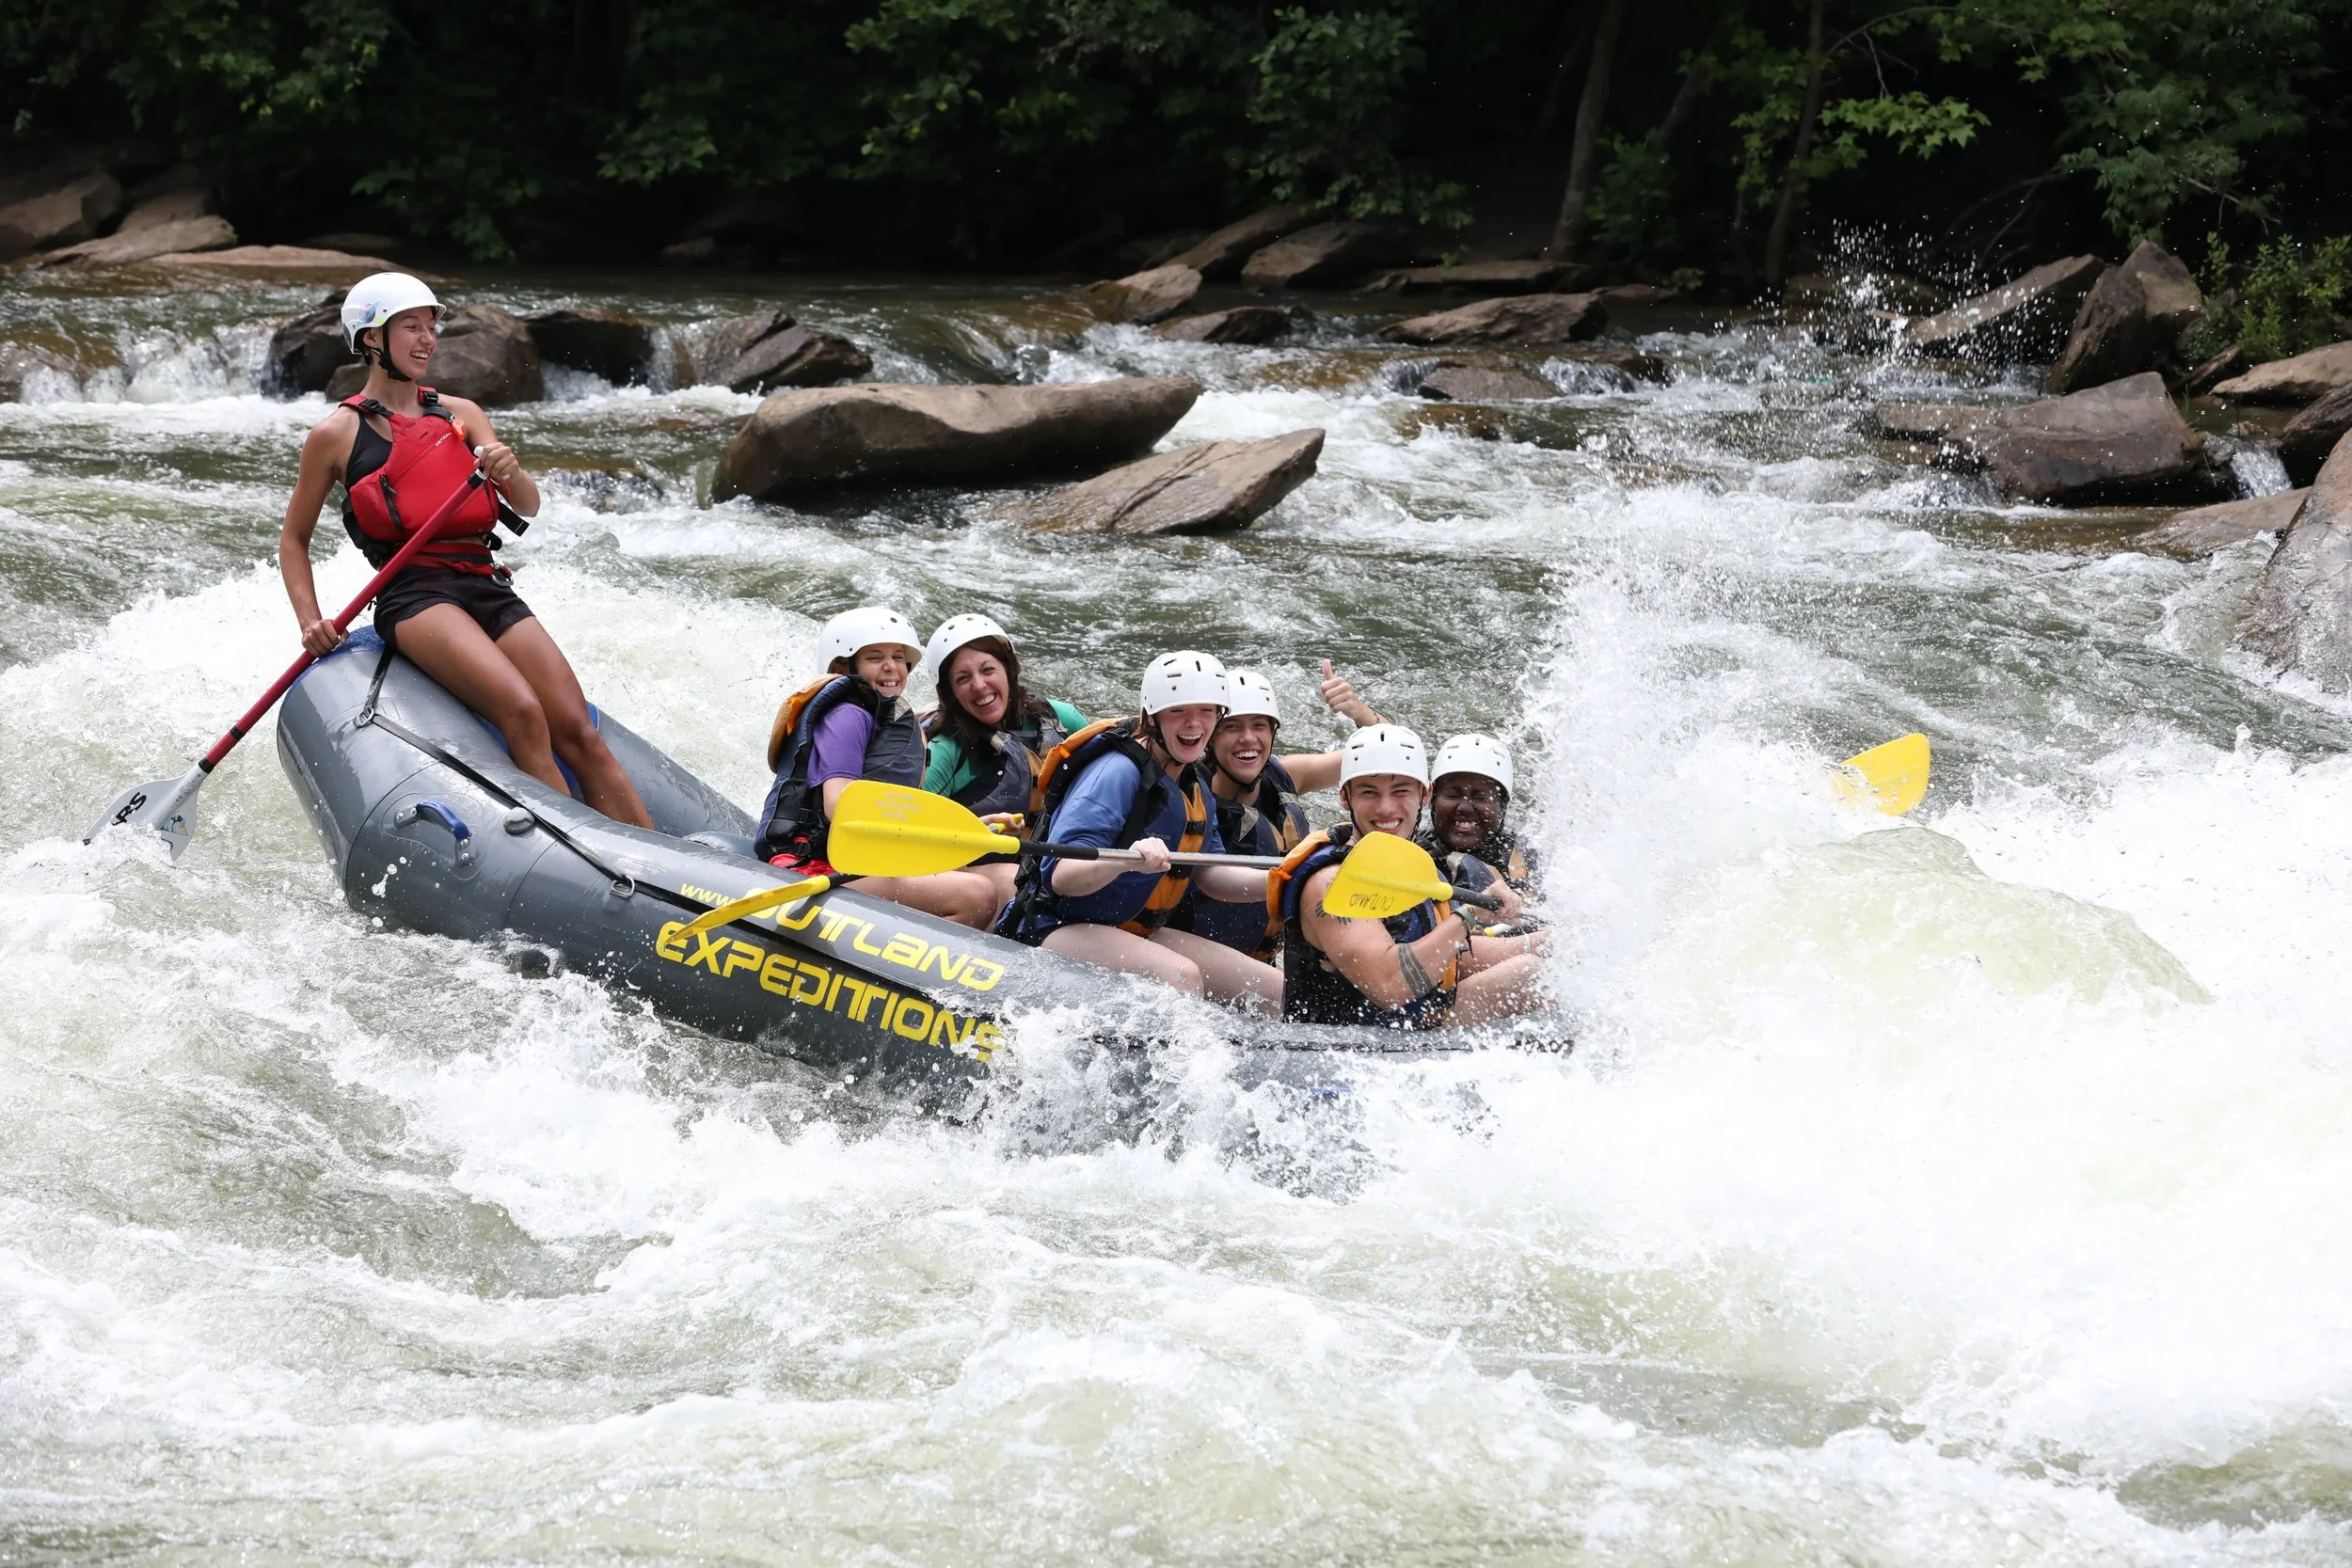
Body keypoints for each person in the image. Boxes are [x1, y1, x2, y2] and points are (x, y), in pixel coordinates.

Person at [278, 271, 653, 828]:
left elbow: (527, 505)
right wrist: (310, 621)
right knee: (522, 712)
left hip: (485, 581)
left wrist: (509, 470)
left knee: (576, 729)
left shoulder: (462, 414)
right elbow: (294, 539)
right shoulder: (336, 434)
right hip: (415, 596)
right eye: (411, 327)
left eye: (431, 327)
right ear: (372, 338)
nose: (427, 339)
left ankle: (655, 855)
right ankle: (584, 846)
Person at [997, 652, 1279, 1013]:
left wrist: (1284, 880)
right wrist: (1126, 861)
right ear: (1152, 717)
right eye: (1178, 711)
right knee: (1180, 978)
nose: (1194, 723)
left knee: (1271, 990)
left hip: (1130, 930)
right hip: (1053, 928)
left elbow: (1210, 874)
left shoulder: (1194, 782)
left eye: (1206, 711)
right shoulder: (1116, 772)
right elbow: (1062, 876)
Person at [1270, 724, 1547, 1029]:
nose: (1386, 808)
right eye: (1368, 792)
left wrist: (1540, 944)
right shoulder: (1329, 882)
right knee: (1533, 975)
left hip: (1408, 1030)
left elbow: (1444, 954)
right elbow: (1388, 984)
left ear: (1424, 795)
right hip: (1343, 1048)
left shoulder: (1413, 864)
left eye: (1401, 791)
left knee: (1539, 969)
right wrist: (1468, 916)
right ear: (1345, 798)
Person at [756, 606, 1000, 928]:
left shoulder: (891, 722)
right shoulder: (848, 716)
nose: (891, 667)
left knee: (979, 878)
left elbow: (899, 813)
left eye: (898, 657)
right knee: (976, 895)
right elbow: (840, 806)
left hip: (857, 863)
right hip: (811, 865)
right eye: (875, 658)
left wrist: (962, 830)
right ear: (843, 666)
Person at [1177, 662, 1383, 958]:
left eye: (1259, 726)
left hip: (1264, 958)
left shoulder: (1286, 775)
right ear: (1209, 737)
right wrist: (1305, 878)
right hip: (1199, 953)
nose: (1248, 738)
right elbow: (1211, 879)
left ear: (1273, 733)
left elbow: (1387, 755)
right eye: (1232, 727)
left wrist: (1359, 712)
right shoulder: (1190, 798)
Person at [919, 612, 1088, 904]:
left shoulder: (1062, 721)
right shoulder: (945, 750)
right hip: (971, 874)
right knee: (1018, 883)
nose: (979, 685)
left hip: (1048, 868)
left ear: (1009, 669)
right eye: (963, 678)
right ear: (950, 692)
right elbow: (911, 838)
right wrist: (969, 833)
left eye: (988, 670)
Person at [1416, 733, 1539, 925]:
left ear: (1503, 807)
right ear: (1431, 800)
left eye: (1481, 798)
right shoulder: (1415, 853)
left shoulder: (1522, 857)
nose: (1464, 808)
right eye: (1452, 795)